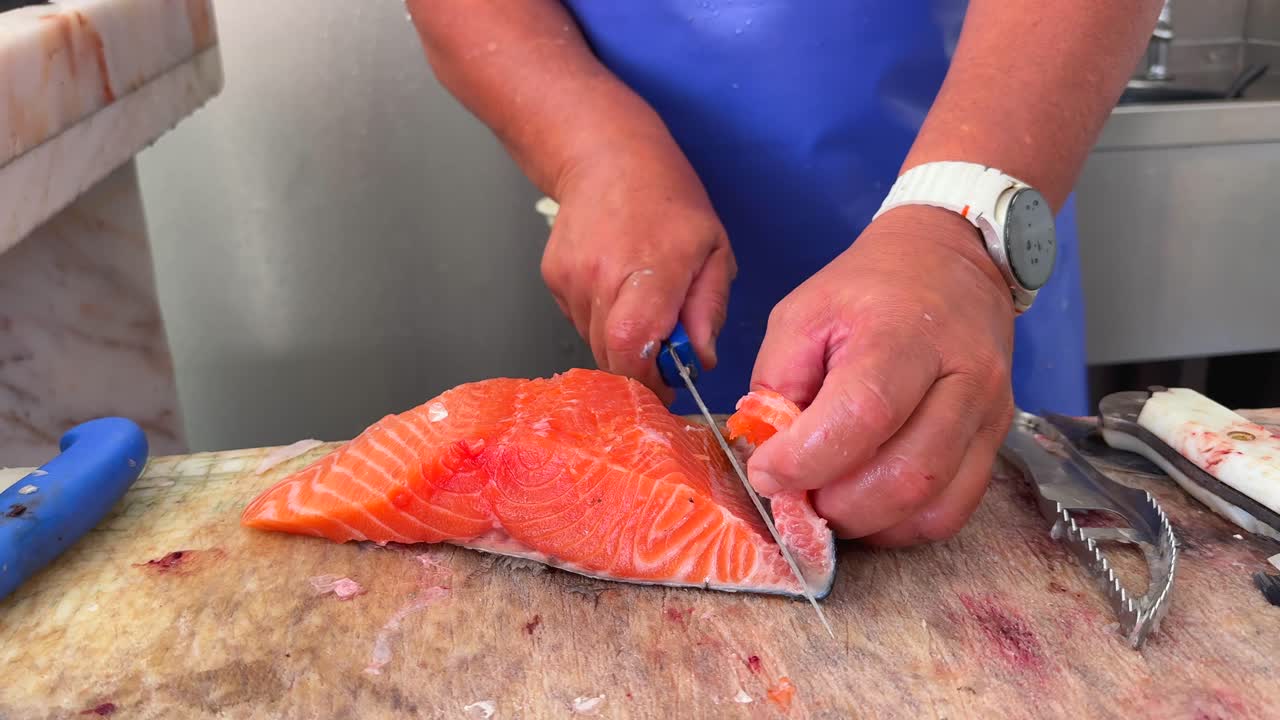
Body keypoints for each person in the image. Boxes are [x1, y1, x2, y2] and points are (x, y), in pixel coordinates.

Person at [407, 2, 1163, 546]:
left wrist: (960, 233)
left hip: (973, 188)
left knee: (997, 537)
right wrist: (592, 147)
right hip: (656, 220)